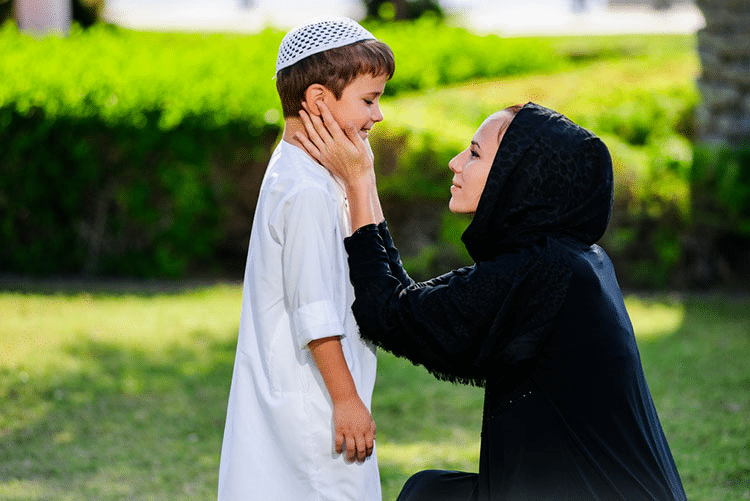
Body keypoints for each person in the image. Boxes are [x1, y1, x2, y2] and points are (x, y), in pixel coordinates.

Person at [295, 101, 687, 500]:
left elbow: (388, 313)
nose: (455, 162)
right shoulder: (572, 259)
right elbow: (406, 305)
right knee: (430, 492)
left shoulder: (545, 272)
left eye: (476, 153)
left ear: (518, 175)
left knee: (428, 496)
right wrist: (365, 181)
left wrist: (358, 181)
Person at [217, 17, 395, 500]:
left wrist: (364, 175)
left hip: (305, 399)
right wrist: (346, 400)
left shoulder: (299, 170)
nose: (378, 115)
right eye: (370, 99)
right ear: (318, 99)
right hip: (314, 406)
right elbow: (313, 309)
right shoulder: (307, 189)